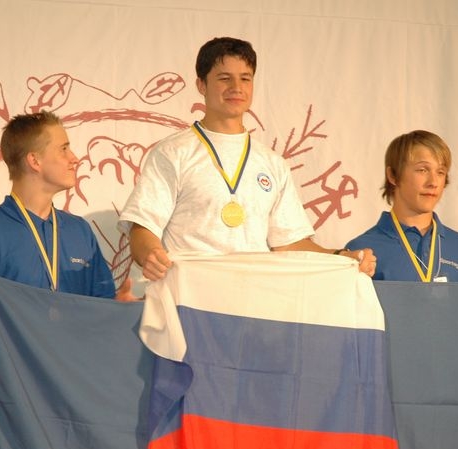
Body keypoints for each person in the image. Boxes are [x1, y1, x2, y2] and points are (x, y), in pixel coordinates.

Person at [117, 36, 376, 280]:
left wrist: (342, 257)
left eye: (245, 78)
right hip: (190, 300)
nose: (236, 88)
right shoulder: (173, 152)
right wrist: (150, 254)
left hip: (254, 302)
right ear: (201, 85)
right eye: (224, 78)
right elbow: (143, 226)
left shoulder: (272, 163)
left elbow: (288, 244)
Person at [0, 111, 133, 336]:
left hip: (69, 370)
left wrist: (122, 308)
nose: (74, 158)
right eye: (64, 149)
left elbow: (103, 310)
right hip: (9, 372)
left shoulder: (79, 231)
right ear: (34, 161)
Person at [345, 130, 458, 281]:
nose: (433, 182)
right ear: (393, 175)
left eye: (440, 172)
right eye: (422, 170)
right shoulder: (360, 251)